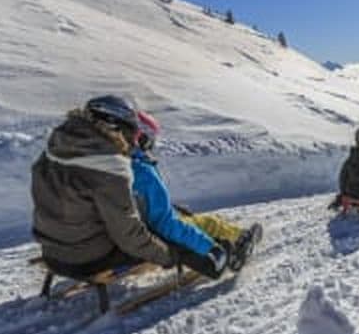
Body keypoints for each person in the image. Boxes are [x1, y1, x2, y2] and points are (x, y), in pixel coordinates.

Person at [33, 96, 218, 281]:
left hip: (52, 251)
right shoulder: (110, 167)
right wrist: (169, 256)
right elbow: (129, 235)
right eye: (131, 132)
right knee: (163, 235)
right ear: (116, 127)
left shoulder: (57, 148)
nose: (133, 141)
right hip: (87, 261)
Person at [131, 110, 261, 274]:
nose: (151, 146)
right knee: (207, 223)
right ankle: (239, 242)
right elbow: (165, 223)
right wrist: (210, 248)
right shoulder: (142, 171)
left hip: (135, 231)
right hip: (154, 234)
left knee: (187, 217)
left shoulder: (118, 167)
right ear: (140, 138)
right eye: (150, 140)